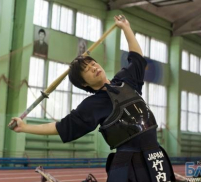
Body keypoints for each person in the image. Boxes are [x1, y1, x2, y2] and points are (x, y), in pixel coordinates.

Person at [9, 15, 176, 182]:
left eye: (93, 64)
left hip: (155, 156)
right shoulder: (93, 105)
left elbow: (137, 58)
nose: (93, 68)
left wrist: (126, 27)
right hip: (129, 164)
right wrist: (25, 127)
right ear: (84, 83)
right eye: (87, 70)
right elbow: (61, 127)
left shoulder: (126, 80)